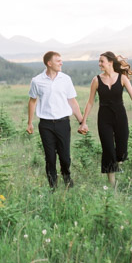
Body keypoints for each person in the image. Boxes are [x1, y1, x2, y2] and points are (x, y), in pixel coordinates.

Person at [78, 51, 132, 187]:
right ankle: (112, 186)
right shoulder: (96, 80)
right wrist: (84, 122)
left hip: (120, 117)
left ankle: (116, 164)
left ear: (110, 62)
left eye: (101, 61)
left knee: (121, 151)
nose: (99, 64)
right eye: (99, 61)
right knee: (108, 150)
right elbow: (90, 102)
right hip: (104, 119)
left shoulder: (122, 78)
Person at [27, 51, 87, 189]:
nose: (61, 63)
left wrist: (81, 122)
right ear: (49, 63)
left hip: (63, 123)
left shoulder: (66, 79)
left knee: (65, 157)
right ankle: (53, 187)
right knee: (50, 158)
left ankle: (66, 177)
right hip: (46, 125)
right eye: (58, 60)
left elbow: (72, 102)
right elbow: (32, 101)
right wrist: (29, 123)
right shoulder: (37, 80)